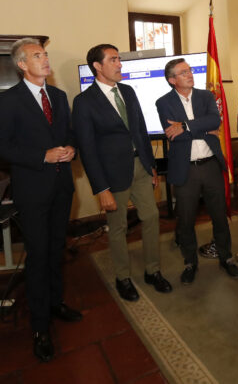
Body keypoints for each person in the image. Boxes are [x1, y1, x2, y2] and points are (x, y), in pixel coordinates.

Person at [0, 38, 82, 362]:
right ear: (22, 65)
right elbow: (3, 147)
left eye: (45, 54)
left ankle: (55, 303)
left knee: (57, 248)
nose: (45, 60)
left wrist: (72, 149)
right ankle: (39, 327)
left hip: (62, 187)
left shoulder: (59, 96)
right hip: (32, 191)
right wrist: (42, 156)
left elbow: (70, 133)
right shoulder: (9, 101)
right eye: (37, 56)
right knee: (37, 256)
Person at [72, 44, 171, 301]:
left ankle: (153, 271)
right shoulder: (83, 102)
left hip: (140, 166)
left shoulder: (127, 91)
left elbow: (139, 130)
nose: (120, 64)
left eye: (119, 59)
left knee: (151, 217)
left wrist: (152, 166)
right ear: (97, 66)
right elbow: (88, 148)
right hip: (112, 175)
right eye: (113, 60)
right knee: (118, 228)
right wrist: (101, 189)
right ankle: (123, 277)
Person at [155, 58, 238, 284]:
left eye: (190, 70)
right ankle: (190, 262)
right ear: (172, 80)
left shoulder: (206, 96)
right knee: (186, 220)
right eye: (183, 72)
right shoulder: (163, 102)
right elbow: (173, 134)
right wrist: (204, 129)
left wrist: (184, 125)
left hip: (211, 165)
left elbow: (215, 120)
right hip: (185, 170)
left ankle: (226, 258)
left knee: (219, 216)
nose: (190, 74)